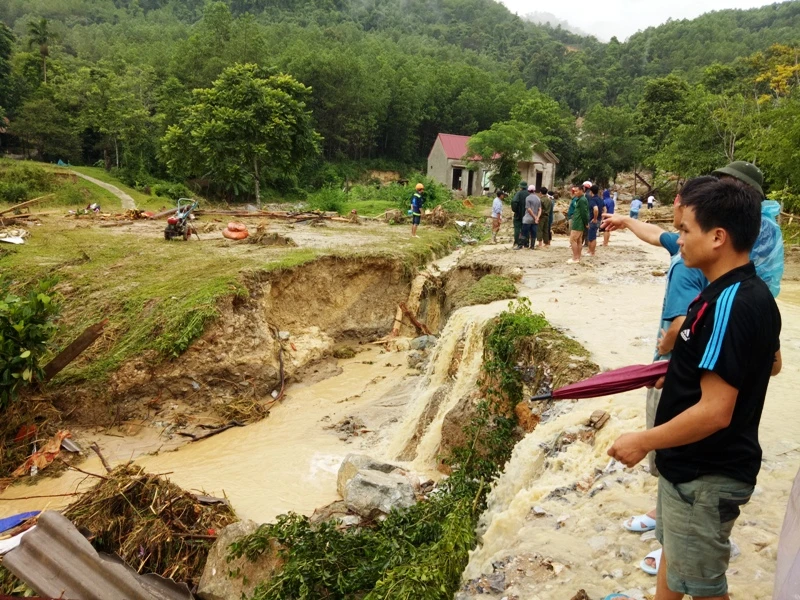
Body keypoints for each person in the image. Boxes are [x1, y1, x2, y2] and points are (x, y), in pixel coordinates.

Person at [608, 178, 782, 600]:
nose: (679, 239)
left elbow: (716, 412)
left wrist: (643, 441)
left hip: (706, 475)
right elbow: (768, 363)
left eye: (686, 231)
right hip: (686, 471)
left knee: (704, 587)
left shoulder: (731, 304)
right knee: (675, 557)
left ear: (718, 237)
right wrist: (680, 373)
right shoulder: (725, 293)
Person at [602, 177, 713, 569]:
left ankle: (672, 541)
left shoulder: (686, 266)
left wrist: (664, 354)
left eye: (682, 226)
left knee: (675, 458)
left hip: (672, 374)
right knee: (676, 461)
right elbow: (656, 235)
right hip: (686, 372)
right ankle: (663, 521)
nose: (676, 235)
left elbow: (680, 324)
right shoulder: (690, 252)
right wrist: (626, 222)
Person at [712, 160, 784, 297]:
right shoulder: (728, 216)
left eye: (727, 185)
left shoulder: (763, 225)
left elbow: (760, 272)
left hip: (746, 298)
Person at [568, 185, 590, 264]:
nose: (575, 193)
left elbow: (584, 212)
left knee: (573, 240)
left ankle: (575, 258)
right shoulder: (581, 199)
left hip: (578, 222)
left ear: (582, 190)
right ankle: (578, 257)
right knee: (578, 241)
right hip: (579, 222)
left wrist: (586, 222)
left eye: (577, 191)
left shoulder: (582, 200)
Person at [518, 185, 541, 250]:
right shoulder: (538, 198)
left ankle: (520, 245)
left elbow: (528, 209)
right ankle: (532, 246)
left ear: (528, 191)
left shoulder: (528, 198)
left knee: (524, 232)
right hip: (535, 220)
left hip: (528, 218)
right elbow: (540, 209)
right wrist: (537, 217)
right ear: (534, 190)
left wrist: (533, 216)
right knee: (533, 233)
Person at [587, 184, 604, 256]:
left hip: (593, 220)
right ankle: (590, 251)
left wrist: (594, 219)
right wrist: (601, 218)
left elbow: (596, 209)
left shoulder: (593, 200)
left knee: (592, 237)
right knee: (593, 236)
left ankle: (592, 252)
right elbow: (605, 209)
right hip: (599, 220)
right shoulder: (600, 199)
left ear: (591, 192)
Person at [510, 181, 528, 248]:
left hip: (518, 215)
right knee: (526, 229)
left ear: (520, 187)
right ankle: (526, 243)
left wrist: (515, 210)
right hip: (527, 215)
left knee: (517, 229)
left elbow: (514, 201)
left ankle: (517, 242)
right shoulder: (529, 194)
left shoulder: (518, 193)